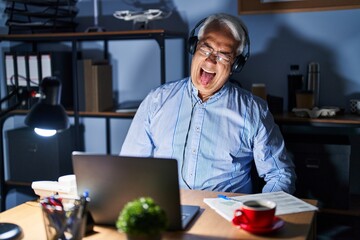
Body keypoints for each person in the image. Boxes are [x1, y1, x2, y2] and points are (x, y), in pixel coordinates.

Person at [120, 13, 296, 194]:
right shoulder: (156, 100)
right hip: (168, 212)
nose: (211, 60)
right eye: (206, 49)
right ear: (193, 48)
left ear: (235, 64)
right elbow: (129, 167)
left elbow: (280, 174)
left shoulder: (254, 111)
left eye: (223, 56)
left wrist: (260, 216)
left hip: (227, 216)